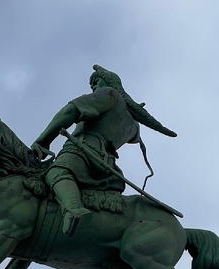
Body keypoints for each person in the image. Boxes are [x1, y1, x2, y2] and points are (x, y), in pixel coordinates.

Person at [31, 65, 177, 235]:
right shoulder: (134, 124)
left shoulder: (110, 94)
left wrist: (43, 141)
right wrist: (131, 109)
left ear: (109, 83)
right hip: (108, 168)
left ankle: (74, 209)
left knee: (55, 173)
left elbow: (70, 111)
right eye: (91, 84)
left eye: (96, 81)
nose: (93, 86)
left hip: (82, 154)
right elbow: (133, 136)